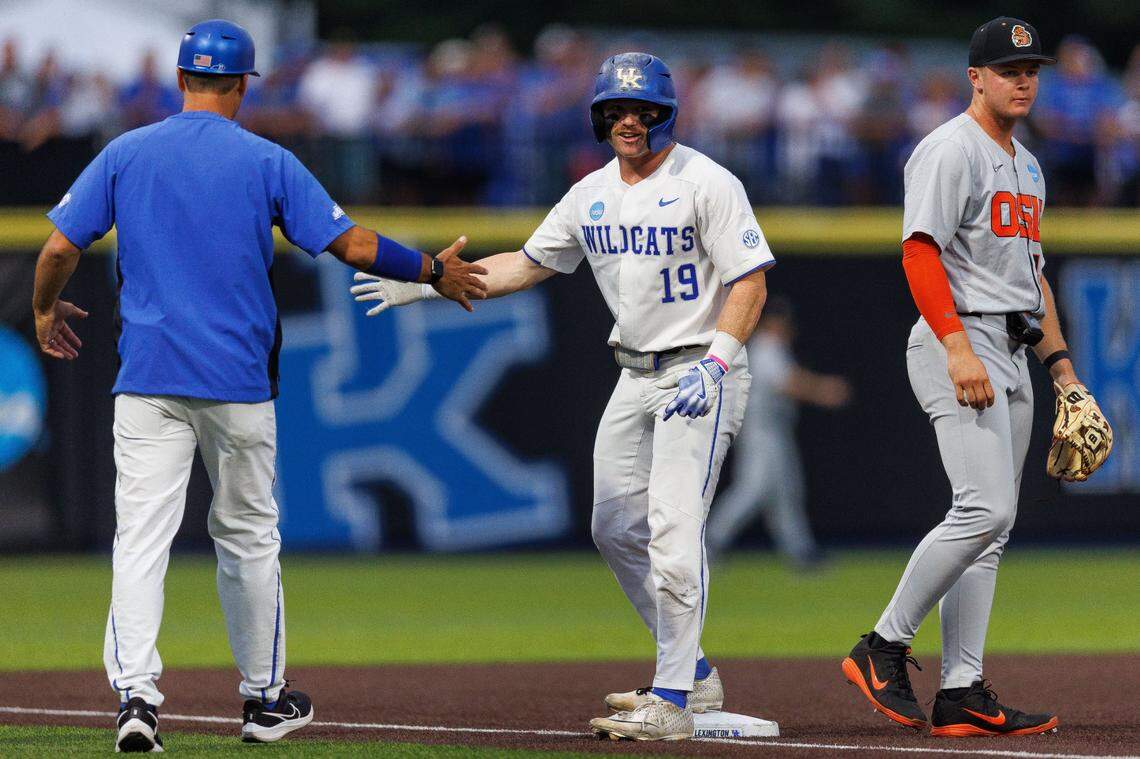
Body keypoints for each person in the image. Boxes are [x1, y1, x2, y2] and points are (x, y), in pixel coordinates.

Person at [31, 19, 485, 753]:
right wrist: (432, 269)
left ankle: (137, 700)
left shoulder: (125, 152)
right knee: (246, 538)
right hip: (238, 382)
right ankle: (264, 699)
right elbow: (353, 245)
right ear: (243, 85)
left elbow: (57, 246)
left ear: (181, 79)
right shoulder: (267, 159)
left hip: (148, 379)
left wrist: (46, 307)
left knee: (141, 540)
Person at [351, 52, 774, 741]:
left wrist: (720, 361)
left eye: (643, 110)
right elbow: (525, 261)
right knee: (613, 528)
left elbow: (750, 280)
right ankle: (692, 670)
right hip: (635, 373)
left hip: (700, 367)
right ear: (600, 117)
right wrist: (434, 280)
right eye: (616, 110)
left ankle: (671, 697)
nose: (629, 121)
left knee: (672, 527)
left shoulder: (707, 180)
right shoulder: (591, 192)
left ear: (667, 114)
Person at [841, 17, 1112, 738]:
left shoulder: (1027, 165)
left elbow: (1035, 281)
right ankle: (881, 645)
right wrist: (956, 347)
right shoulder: (949, 148)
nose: (1023, 79)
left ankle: (961, 690)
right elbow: (919, 252)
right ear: (976, 76)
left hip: (1016, 346)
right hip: (956, 336)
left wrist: (1065, 373)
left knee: (993, 529)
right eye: (1008, 68)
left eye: (1032, 69)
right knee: (983, 507)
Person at [705, 296, 850, 567]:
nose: (786, 326)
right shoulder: (764, 346)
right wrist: (823, 390)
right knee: (753, 490)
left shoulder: (773, 347)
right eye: (781, 321)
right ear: (772, 322)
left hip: (774, 429)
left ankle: (801, 551)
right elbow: (786, 383)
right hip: (761, 430)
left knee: (786, 492)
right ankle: (709, 542)